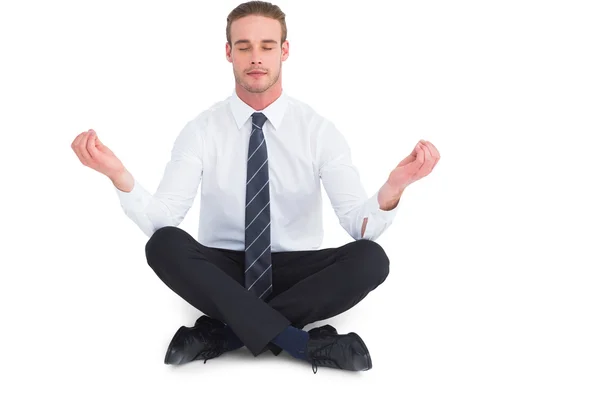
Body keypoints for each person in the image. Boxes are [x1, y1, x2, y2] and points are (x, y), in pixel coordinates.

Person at [70, 0, 440, 373]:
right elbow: (163, 218)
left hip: (298, 272)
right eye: (244, 47)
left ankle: (226, 334)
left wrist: (396, 185)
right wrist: (118, 175)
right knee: (163, 245)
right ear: (229, 53)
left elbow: (360, 226)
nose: (256, 58)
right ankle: (301, 344)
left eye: (266, 46)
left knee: (370, 259)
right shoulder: (201, 130)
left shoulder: (319, 131)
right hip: (226, 270)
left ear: (285, 51)